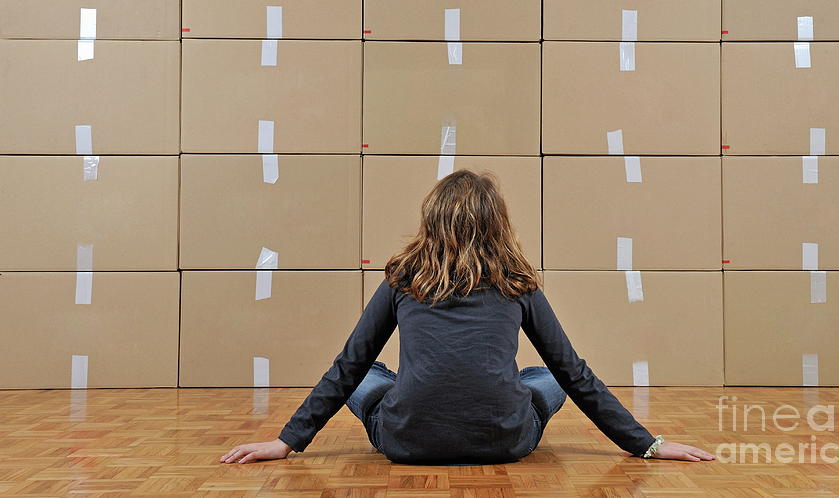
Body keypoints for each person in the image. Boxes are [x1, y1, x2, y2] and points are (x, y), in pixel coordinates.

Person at [221, 170, 715, 465]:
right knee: (550, 376)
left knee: (366, 374)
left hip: (405, 441)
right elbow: (574, 371)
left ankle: (412, 392)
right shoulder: (517, 282)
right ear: (498, 223)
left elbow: (348, 364)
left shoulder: (403, 278)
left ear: (430, 220)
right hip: (505, 440)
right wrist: (648, 445)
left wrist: (286, 442)